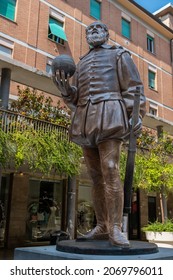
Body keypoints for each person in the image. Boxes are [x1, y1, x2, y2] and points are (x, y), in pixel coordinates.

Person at [52, 21, 146, 247]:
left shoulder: (119, 54)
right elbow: (76, 96)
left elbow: (134, 87)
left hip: (111, 114)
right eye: (89, 30)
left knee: (111, 169)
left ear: (106, 33)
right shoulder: (81, 62)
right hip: (86, 118)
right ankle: (102, 225)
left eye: (98, 29)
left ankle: (115, 227)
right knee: (95, 177)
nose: (93, 32)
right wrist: (66, 91)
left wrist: (137, 114)